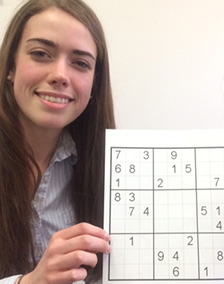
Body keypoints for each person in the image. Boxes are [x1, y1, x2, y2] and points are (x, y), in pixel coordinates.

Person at [0, 0, 116, 283]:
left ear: (93, 84)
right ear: (11, 66)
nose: (60, 76)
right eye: (41, 54)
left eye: (80, 63)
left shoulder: (105, 169)